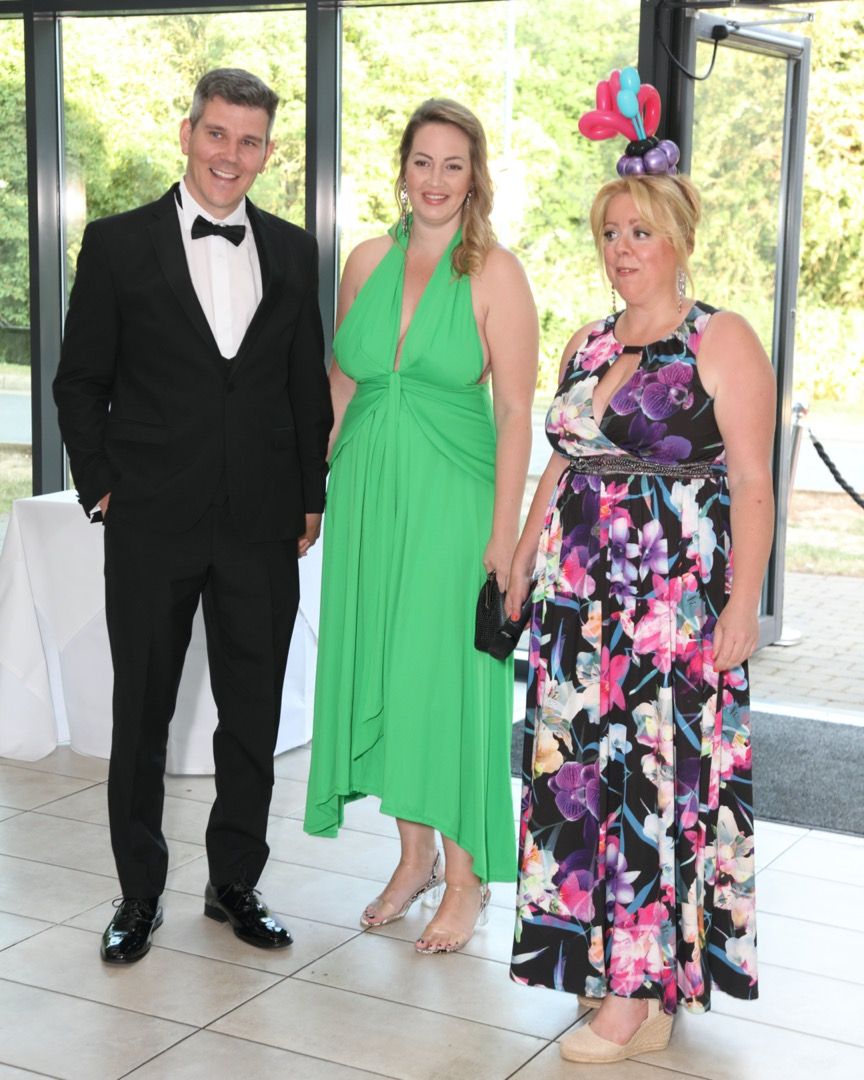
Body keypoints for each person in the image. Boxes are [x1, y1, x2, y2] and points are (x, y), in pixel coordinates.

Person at [53, 68, 332, 964]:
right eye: (217, 134)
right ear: (187, 133)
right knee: (141, 713)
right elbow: (79, 381)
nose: (229, 155)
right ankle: (138, 895)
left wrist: (310, 495)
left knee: (251, 713)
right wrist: (102, 485)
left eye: (249, 141)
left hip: (262, 522)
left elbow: (304, 385)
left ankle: (234, 883)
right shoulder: (116, 243)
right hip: (150, 519)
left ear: (268, 152)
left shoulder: (292, 251)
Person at [506, 163, 775, 1058]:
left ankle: (637, 991)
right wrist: (522, 553)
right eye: (610, 233)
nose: (621, 249)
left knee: (655, 784)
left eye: (640, 233)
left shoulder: (720, 338)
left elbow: (753, 482)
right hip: (577, 607)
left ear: (679, 240)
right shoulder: (587, 341)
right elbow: (563, 457)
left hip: (669, 606)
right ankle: (617, 974)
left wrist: (744, 605)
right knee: (581, 776)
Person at [303, 99, 538, 953]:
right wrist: (312, 486)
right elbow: (342, 383)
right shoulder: (366, 260)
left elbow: (515, 411)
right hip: (369, 495)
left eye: (453, 164)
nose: (435, 179)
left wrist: (504, 535)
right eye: (422, 161)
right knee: (389, 669)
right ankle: (413, 859)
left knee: (445, 679)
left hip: (452, 501)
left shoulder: (496, 273)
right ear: (401, 169)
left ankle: (466, 876)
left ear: (475, 178)